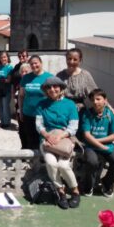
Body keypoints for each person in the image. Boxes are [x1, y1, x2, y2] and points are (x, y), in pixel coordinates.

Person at [35, 76, 81, 210]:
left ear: (61, 89)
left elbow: (73, 127)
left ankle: (75, 191)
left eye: (55, 86)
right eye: (48, 87)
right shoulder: (41, 104)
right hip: (47, 140)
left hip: (64, 140)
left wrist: (60, 136)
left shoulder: (70, 105)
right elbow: (39, 125)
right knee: (51, 163)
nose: (52, 89)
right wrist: (47, 135)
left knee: (64, 165)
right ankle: (61, 191)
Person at [81, 89, 114, 198]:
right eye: (93, 100)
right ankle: (89, 186)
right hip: (91, 147)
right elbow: (87, 135)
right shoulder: (87, 114)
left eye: (98, 99)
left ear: (105, 100)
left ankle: (106, 183)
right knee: (92, 162)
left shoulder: (110, 114)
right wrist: (98, 145)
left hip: (106, 145)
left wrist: (98, 142)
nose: (95, 102)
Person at [19, 55, 53, 149]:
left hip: (43, 114)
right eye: (31, 64)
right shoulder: (26, 78)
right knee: (30, 138)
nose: (34, 65)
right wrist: (20, 111)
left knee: (42, 139)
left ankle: (41, 160)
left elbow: (54, 96)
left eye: (36, 63)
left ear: (41, 63)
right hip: (28, 114)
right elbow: (21, 95)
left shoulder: (49, 77)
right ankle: (31, 162)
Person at [56, 48, 98, 112]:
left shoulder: (85, 75)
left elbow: (96, 94)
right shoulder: (60, 75)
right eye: (69, 59)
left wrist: (108, 106)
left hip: (80, 111)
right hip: (63, 110)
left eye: (75, 59)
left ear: (80, 60)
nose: (71, 62)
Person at [0, 51, 13, 129]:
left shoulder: (10, 67)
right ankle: (2, 122)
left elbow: (9, 80)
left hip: (6, 90)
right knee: (0, 106)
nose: (3, 58)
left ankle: (7, 122)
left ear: (7, 58)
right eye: (2, 57)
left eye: (5, 57)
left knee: (5, 106)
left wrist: (0, 80)